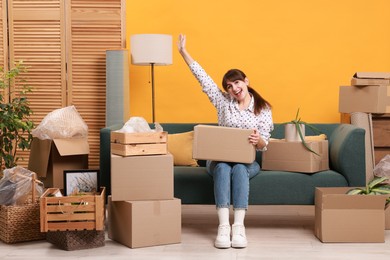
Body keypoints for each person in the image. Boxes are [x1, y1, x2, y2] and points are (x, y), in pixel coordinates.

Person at [177, 34, 273, 249]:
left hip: (247, 162)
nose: (234, 88)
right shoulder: (223, 102)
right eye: (229, 86)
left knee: (239, 168)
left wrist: (258, 140)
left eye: (237, 82)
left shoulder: (263, 109)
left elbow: (265, 144)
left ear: (246, 81)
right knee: (222, 167)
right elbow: (203, 79)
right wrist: (184, 52)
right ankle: (223, 226)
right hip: (218, 161)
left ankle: (238, 227)